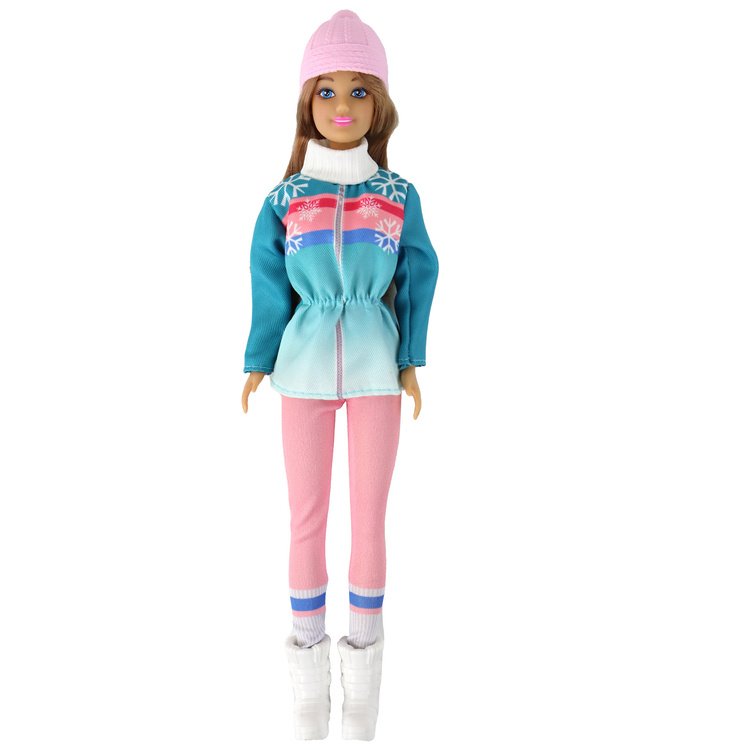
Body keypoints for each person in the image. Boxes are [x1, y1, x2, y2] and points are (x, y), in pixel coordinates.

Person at [240, 10, 439, 740]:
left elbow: (418, 275)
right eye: (327, 91)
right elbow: (268, 285)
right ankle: (306, 680)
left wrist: (410, 357)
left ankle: (362, 685)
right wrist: (259, 361)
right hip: (300, 371)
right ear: (307, 102)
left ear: (379, 104)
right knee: (307, 516)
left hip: (377, 368)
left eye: (359, 91)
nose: (344, 106)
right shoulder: (285, 200)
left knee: (368, 516)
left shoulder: (397, 194)